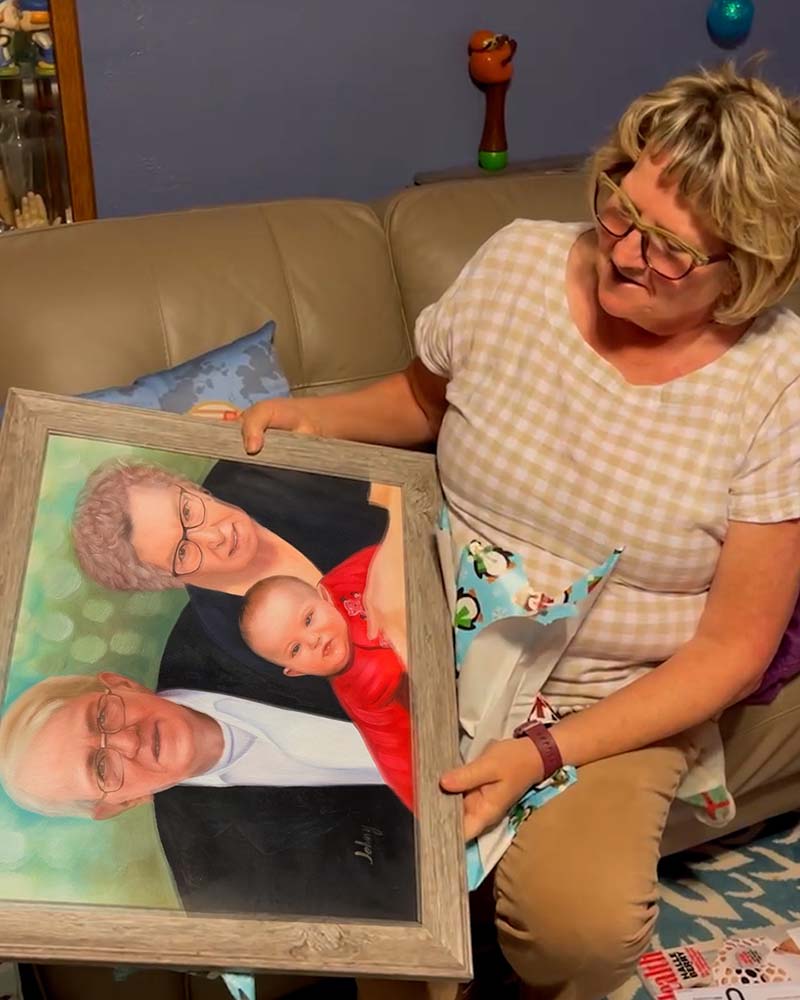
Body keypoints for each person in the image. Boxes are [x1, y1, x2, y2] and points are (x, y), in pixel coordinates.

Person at [237, 63, 800, 999]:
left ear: (747, 274)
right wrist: (304, 420)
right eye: (621, 209)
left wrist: (543, 753)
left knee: (578, 933)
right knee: (366, 883)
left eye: (670, 253)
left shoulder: (778, 381)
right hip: (430, 645)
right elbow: (421, 399)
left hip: (609, 697)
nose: (624, 253)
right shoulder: (521, 260)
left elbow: (736, 650)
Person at [0, 671, 417, 920]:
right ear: (119, 805)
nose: (126, 742)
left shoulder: (226, 617)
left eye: (103, 716)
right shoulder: (221, 883)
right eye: (102, 768)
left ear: (120, 683)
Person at [71, 459, 406, 721]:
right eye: (183, 552)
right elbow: (359, 701)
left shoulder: (253, 472)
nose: (212, 536)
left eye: (188, 511)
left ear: (188, 488)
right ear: (171, 580)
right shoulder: (228, 635)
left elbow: (395, 476)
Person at [240, 543, 413, 810]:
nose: (313, 639)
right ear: (296, 671)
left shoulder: (344, 583)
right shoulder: (363, 692)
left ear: (324, 595)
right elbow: (395, 755)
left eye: (309, 619)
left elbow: (392, 551)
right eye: (295, 649)